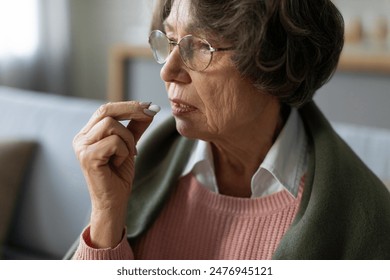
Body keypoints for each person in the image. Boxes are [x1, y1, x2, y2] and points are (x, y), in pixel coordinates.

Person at [67, 0, 390, 260]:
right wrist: (107, 212)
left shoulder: (367, 221)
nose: (168, 70)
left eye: (200, 46)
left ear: (273, 59)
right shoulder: (142, 162)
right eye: (169, 40)